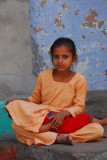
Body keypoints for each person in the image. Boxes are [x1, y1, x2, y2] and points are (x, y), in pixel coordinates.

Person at [5, 37, 106, 146]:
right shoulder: (43, 76)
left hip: (66, 120)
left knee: (97, 130)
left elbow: (79, 106)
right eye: (56, 57)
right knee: (15, 125)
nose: (60, 61)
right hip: (44, 118)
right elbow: (35, 99)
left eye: (65, 57)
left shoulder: (79, 80)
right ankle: (58, 138)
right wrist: (17, 103)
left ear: (74, 58)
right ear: (52, 57)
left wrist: (62, 114)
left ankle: (52, 137)